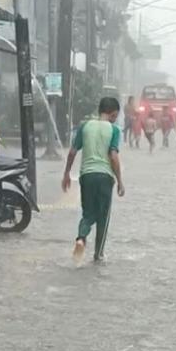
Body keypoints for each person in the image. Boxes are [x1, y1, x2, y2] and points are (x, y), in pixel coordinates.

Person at [62, 97, 126, 263]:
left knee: (88, 214)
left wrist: (66, 174)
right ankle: (98, 255)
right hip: (105, 177)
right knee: (103, 217)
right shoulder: (114, 130)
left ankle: (81, 238)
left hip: (86, 176)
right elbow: (113, 155)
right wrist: (120, 180)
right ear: (113, 114)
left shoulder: (84, 126)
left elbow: (72, 152)